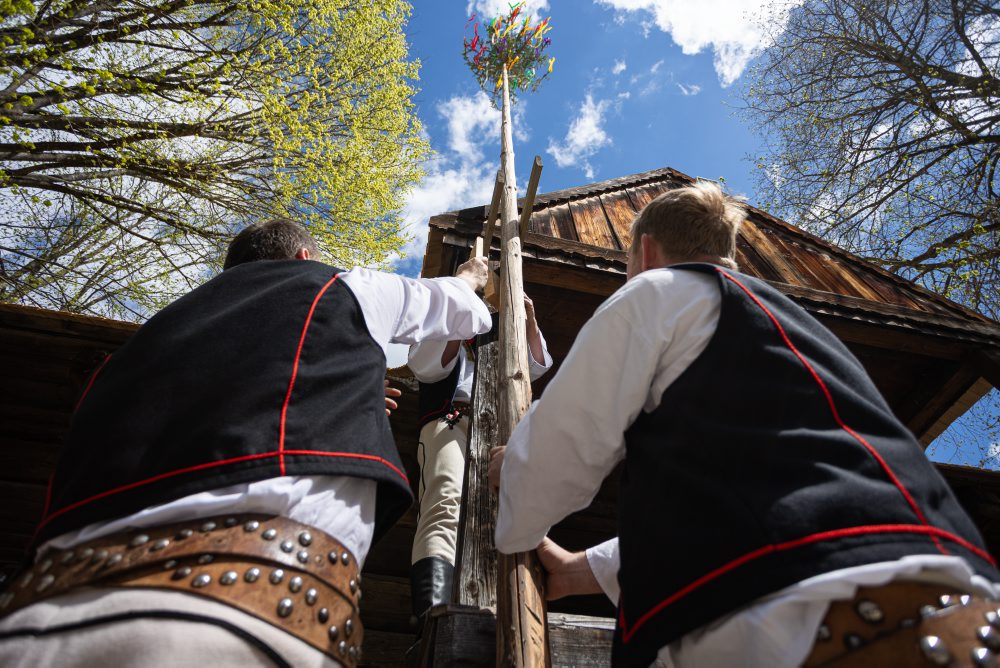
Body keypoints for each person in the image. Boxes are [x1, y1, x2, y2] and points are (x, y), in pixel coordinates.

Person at [491, 181, 1000, 667]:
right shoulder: (807, 335)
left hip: (809, 621)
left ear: (645, 254)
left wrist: (513, 495)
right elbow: (762, 492)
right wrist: (580, 572)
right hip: (967, 610)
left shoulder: (656, 292)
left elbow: (564, 446)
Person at [0, 218, 492, 667]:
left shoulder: (143, 345)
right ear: (304, 258)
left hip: (30, 615)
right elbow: (462, 311)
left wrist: (348, 396)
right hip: (224, 624)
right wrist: (470, 277)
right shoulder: (341, 286)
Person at [407, 280, 551, 620]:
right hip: (450, 422)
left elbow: (534, 367)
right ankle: (432, 614)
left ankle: (506, 612)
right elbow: (427, 367)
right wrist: (460, 312)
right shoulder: (443, 321)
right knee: (445, 500)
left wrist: (527, 317)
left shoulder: (505, 333)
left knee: (506, 514)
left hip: (500, 430)